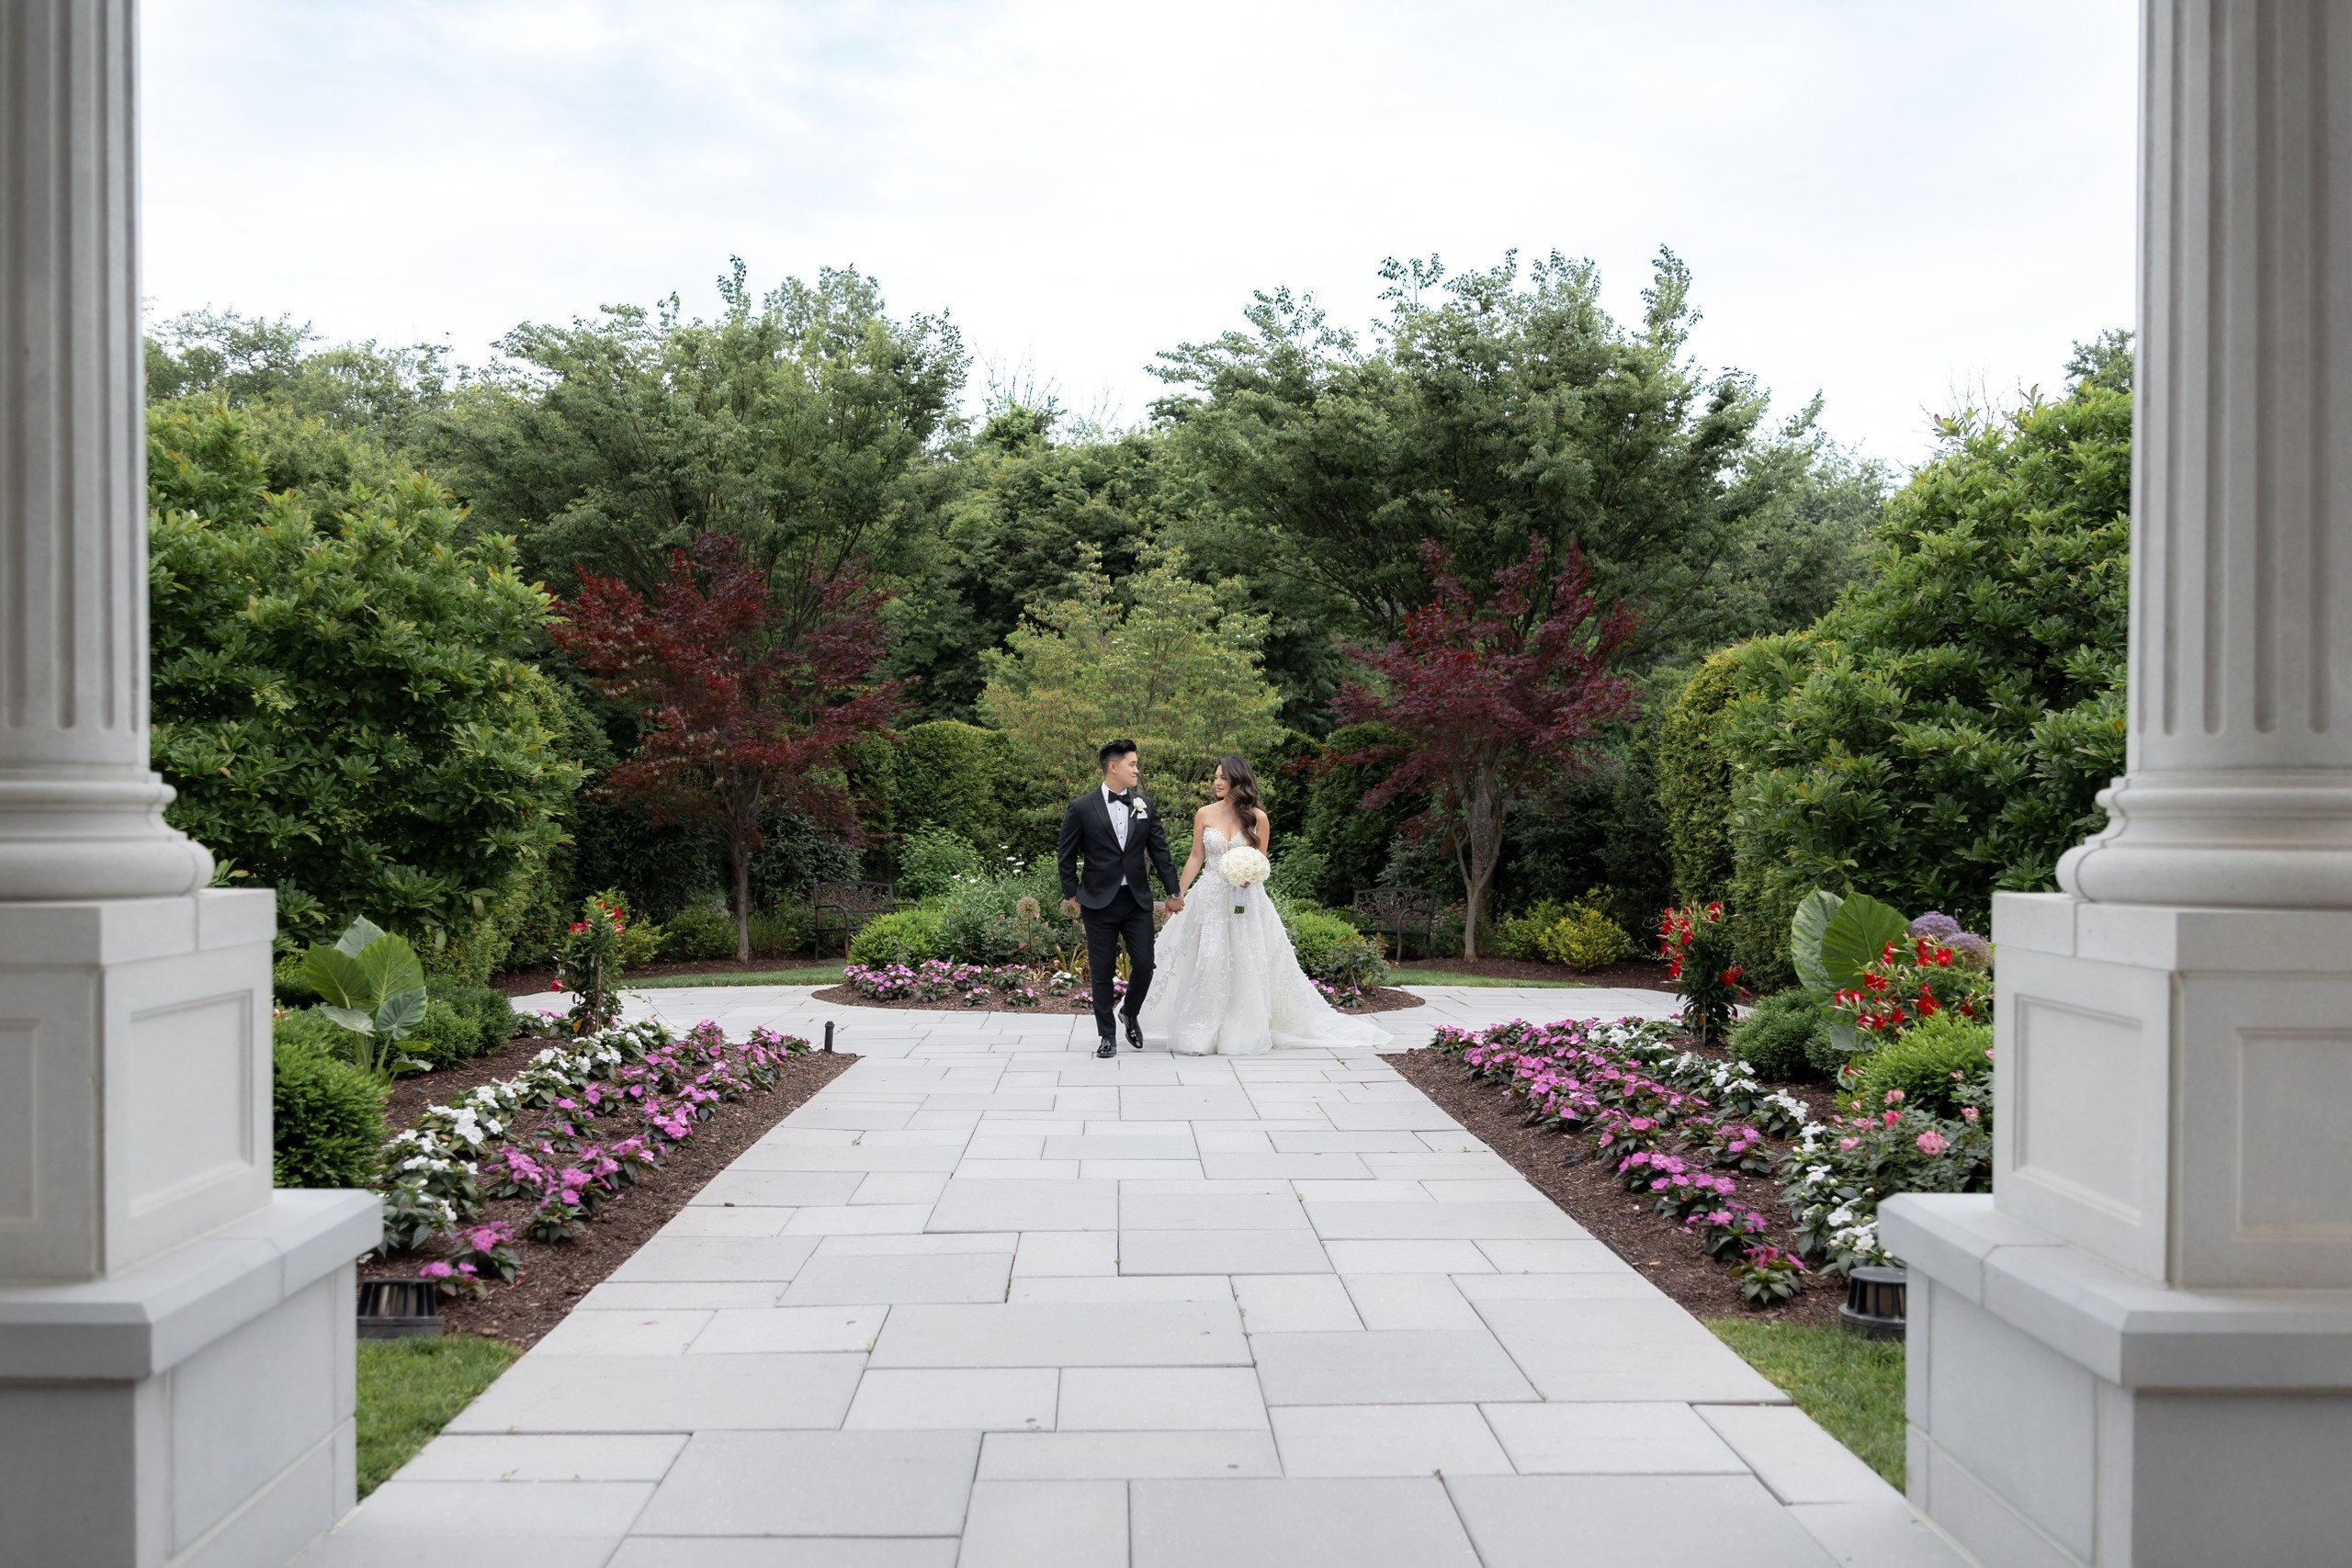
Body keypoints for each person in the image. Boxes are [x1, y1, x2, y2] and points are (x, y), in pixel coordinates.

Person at [1137, 753, 1387, 1055]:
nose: (1216, 782)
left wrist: (1249, 877)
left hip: (1245, 899)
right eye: (1215, 777)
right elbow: (1195, 857)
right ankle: (1200, 1031)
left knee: (1245, 961)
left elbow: (1260, 862)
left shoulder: (1259, 818)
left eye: (1222, 777)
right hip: (1211, 898)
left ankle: (1239, 1032)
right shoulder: (1204, 813)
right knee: (1210, 958)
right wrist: (1178, 893)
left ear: (1238, 780)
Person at [1057, 739, 1183, 1058]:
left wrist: (1173, 892)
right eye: (1133, 764)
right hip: (1097, 902)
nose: (1137, 770)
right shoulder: (1081, 807)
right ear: (1113, 767)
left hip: (1136, 900)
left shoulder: (1145, 805)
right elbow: (1066, 855)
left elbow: (1160, 852)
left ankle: (1129, 1011)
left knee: (1145, 963)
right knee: (1101, 971)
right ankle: (1107, 1036)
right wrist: (1072, 893)